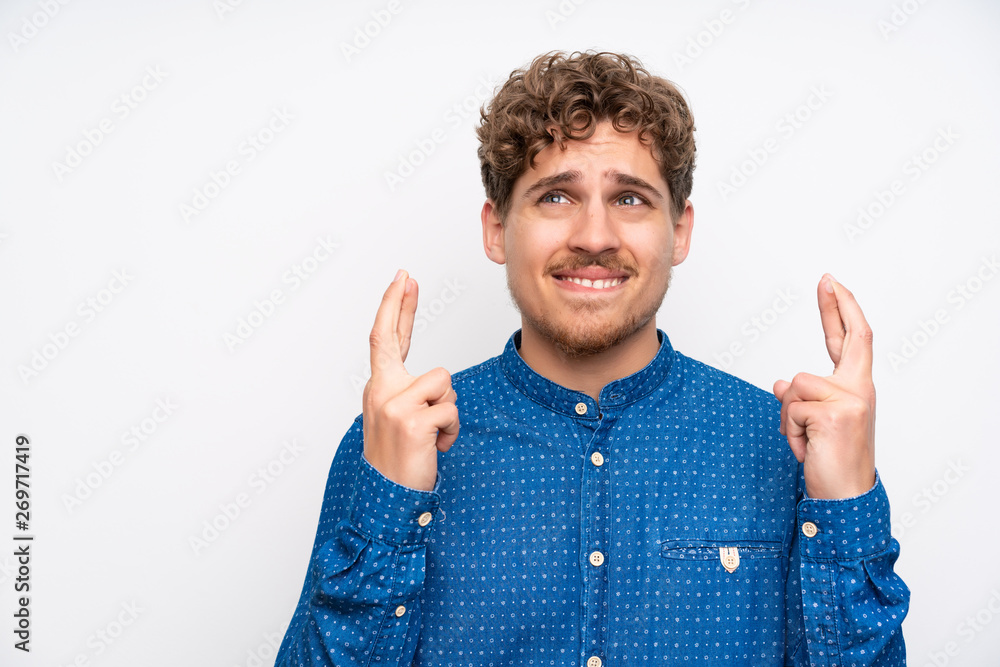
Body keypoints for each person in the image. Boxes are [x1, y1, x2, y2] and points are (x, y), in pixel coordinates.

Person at [275, 50, 909, 666]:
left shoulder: (783, 445)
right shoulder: (389, 443)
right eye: (556, 196)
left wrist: (847, 505)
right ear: (497, 229)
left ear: (680, 230)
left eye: (630, 198)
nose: (595, 236)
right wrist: (388, 505)